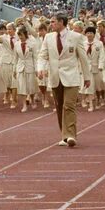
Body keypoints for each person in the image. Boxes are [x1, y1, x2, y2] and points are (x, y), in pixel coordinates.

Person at [37, 14, 91, 147]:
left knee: (69, 105)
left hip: (71, 76)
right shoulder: (48, 38)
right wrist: (40, 68)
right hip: (55, 77)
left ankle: (71, 135)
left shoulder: (76, 37)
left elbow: (83, 58)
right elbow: (42, 56)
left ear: (62, 22)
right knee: (59, 106)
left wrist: (87, 77)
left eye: (54, 22)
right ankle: (64, 135)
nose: (51, 24)